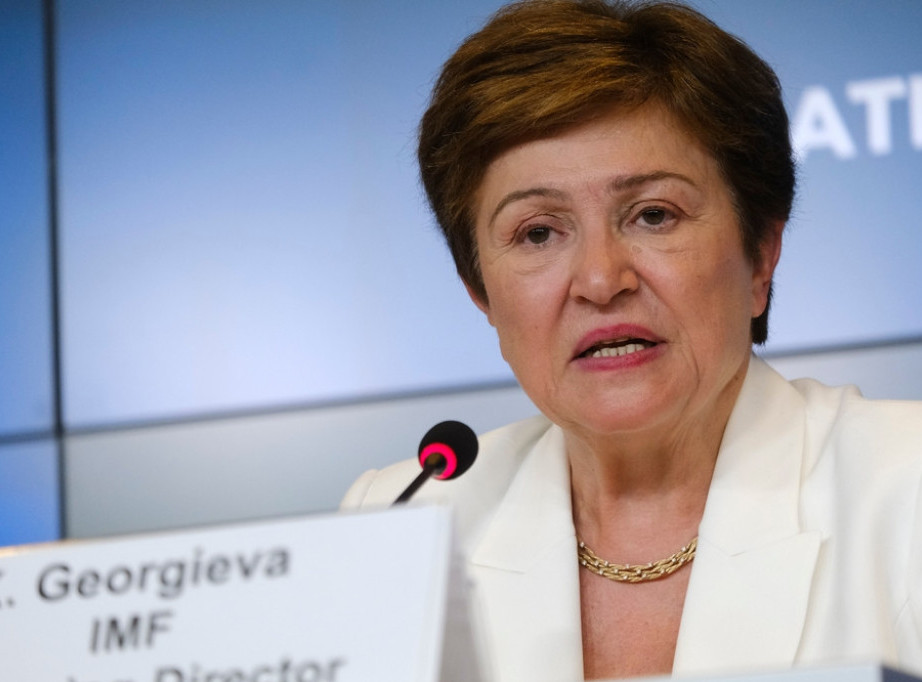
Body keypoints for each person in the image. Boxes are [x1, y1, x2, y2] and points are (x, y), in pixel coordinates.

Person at [341, 1, 922, 680]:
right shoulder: (405, 520)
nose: (600, 280)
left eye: (653, 215)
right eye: (537, 232)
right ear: (480, 291)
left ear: (760, 256)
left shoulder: (904, 487)